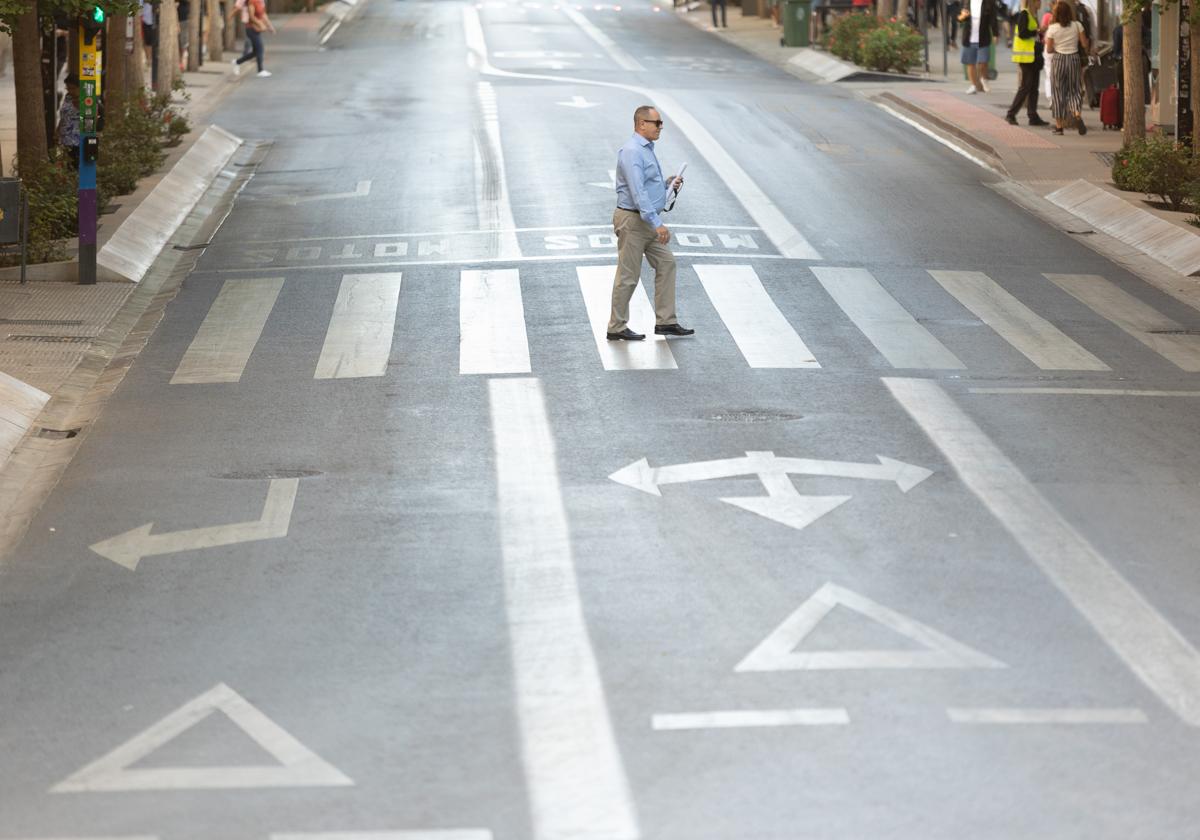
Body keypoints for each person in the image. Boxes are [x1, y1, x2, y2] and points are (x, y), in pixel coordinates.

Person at [606, 106, 693, 342]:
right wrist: (657, 223)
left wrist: (667, 185)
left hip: (644, 219)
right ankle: (616, 327)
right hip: (633, 220)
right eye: (657, 123)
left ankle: (666, 322)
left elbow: (647, 186)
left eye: (661, 123)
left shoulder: (646, 149)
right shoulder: (632, 151)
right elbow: (638, 192)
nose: (660, 127)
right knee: (628, 275)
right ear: (641, 124)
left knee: (667, 263)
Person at [1046, 0, 1089, 134]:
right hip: (1074, 59)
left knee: (1058, 92)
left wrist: (1058, 47)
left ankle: (1059, 127)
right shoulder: (1077, 25)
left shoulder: (1052, 28)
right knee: (1075, 90)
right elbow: (1084, 44)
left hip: (1058, 59)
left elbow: (1049, 49)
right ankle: (1076, 114)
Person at [1005, 0, 1049, 125]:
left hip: (1033, 57)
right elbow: (1023, 33)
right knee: (1025, 87)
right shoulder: (1024, 14)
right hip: (1026, 57)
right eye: (1039, 1)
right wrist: (1038, 31)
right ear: (1033, 2)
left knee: (1034, 88)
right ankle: (1011, 114)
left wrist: (1039, 33)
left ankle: (1033, 116)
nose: (1040, 3)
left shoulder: (1032, 15)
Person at [959, 0, 998, 95]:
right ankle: (973, 85)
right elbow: (959, 18)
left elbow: (993, 19)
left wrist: (995, 34)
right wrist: (962, 16)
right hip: (969, 37)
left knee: (983, 62)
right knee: (970, 63)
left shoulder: (989, 2)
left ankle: (983, 78)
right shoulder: (966, 2)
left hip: (983, 37)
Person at [232, 0, 274, 77]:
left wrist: (269, 26)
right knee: (260, 48)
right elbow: (251, 17)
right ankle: (260, 70)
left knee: (255, 52)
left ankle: (237, 62)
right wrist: (260, 24)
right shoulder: (252, 1)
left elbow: (263, 14)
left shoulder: (260, 1)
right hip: (251, 29)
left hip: (256, 29)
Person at [57, 76, 80, 168]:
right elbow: (64, 115)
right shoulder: (68, 97)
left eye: (72, 88)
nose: (70, 90)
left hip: (77, 139)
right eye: (68, 88)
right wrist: (58, 129)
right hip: (65, 138)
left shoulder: (86, 99)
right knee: (66, 164)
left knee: (74, 164)